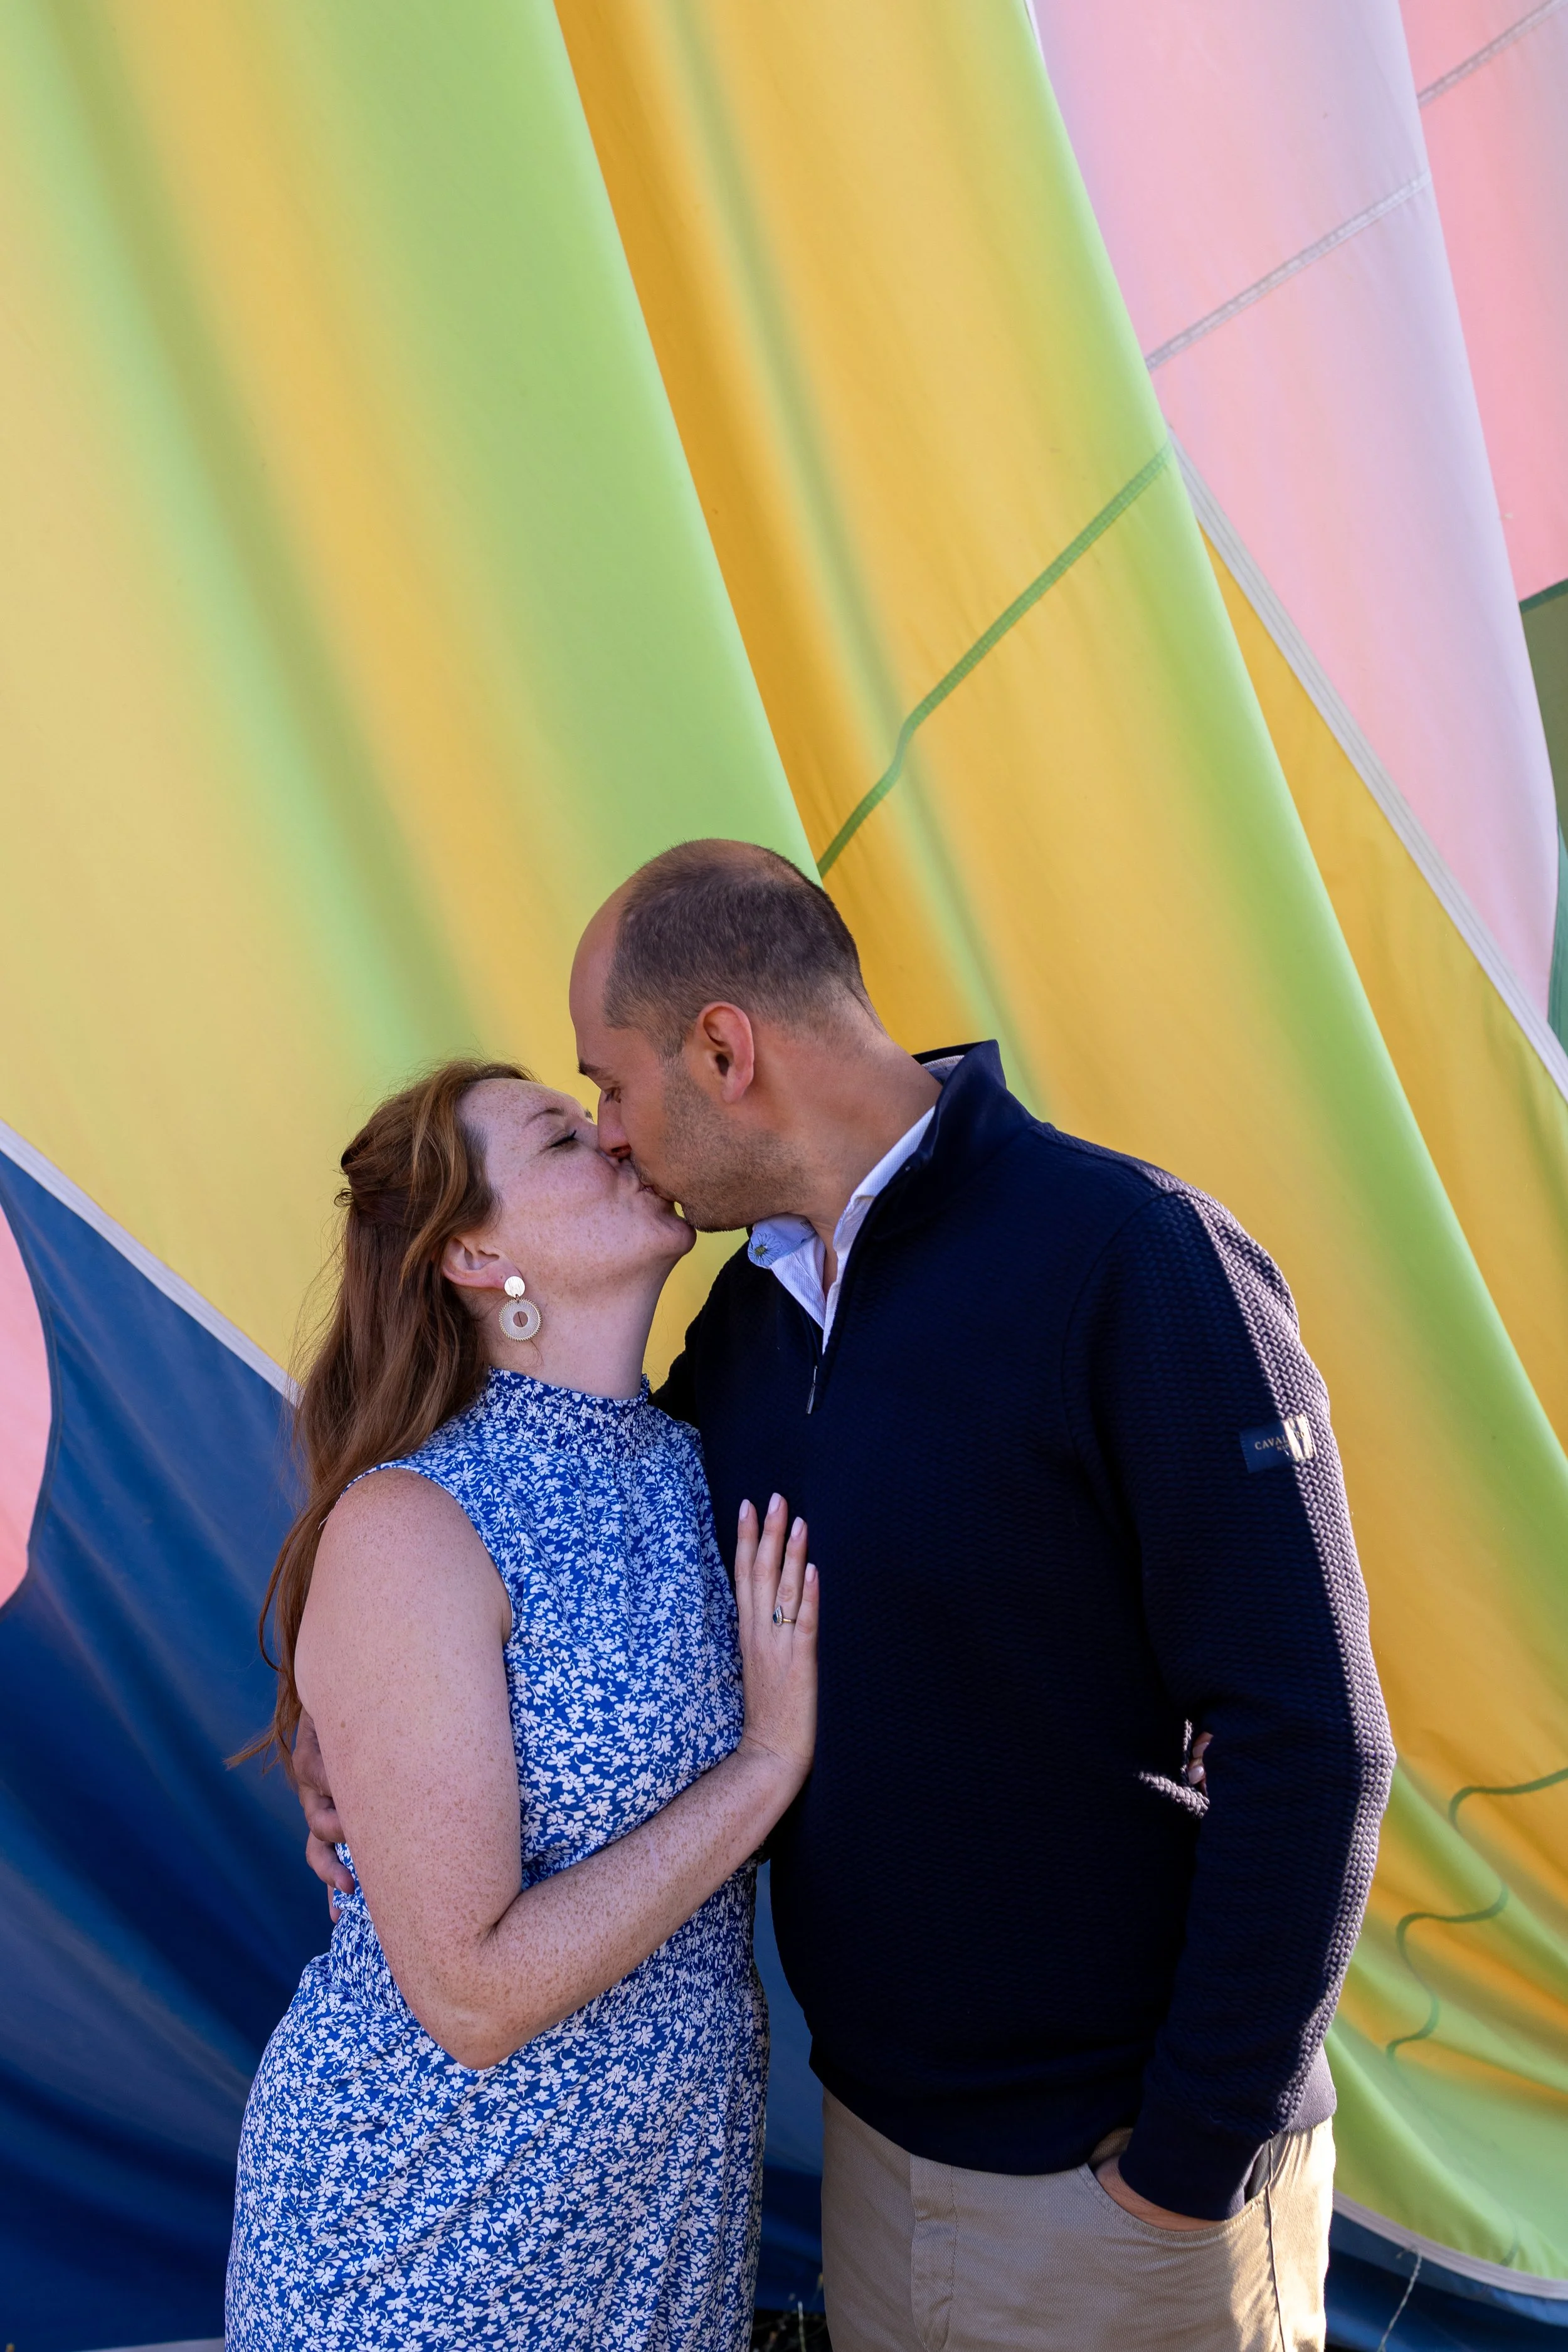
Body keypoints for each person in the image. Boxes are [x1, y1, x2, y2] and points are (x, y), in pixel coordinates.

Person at [300, 840, 1396, 2351]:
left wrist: (1184, 2165)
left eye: (606, 1086)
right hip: (865, 2173)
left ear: (724, 1050)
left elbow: (1312, 1739)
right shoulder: (746, 1334)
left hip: (1116, 2187)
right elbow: (513, 1592)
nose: (614, 1136)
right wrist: (339, 1738)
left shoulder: (1128, 1259)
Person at [226, 1059, 818, 2352]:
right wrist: (764, 1767)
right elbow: (474, 1995)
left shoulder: (702, 1458)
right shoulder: (409, 1523)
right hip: (429, 2237)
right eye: (560, 1137)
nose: (616, 1136)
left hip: (658, 2228)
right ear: (473, 1253)